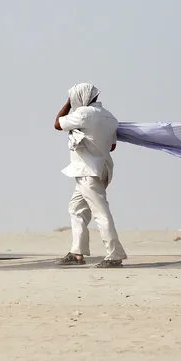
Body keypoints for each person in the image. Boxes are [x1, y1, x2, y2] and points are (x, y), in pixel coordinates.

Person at [54, 83, 127, 268]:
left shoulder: (83, 114)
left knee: (101, 213)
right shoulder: (109, 116)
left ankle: (114, 254)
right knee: (76, 209)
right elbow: (112, 146)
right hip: (101, 168)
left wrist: (69, 103)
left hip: (88, 171)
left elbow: (57, 123)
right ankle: (76, 253)